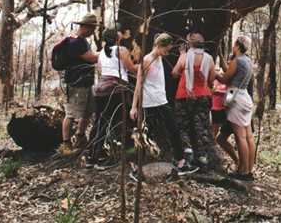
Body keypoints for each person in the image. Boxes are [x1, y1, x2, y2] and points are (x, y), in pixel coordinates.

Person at [129, 33, 192, 179]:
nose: (167, 53)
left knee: (173, 130)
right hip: (150, 104)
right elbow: (138, 84)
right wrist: (134, 106)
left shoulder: (159, 58)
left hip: (161, 101)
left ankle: (181, 162)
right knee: (146, 136)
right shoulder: (147, 60)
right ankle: (136, 167)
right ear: (159, 46)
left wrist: (182, 52)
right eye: (166, 49)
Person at [88, 28, 136, 169]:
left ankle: (92, 158)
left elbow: (102, 71)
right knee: (123, 123)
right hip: (116, 90)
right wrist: (143, 67)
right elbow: (131, 68)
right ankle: (130, 158)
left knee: (100, 123)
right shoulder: (122, 50)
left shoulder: (101, 53)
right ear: (117, 37)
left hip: (100, 90)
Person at [171, 31, 219, 171]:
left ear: (190, 44)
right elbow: (211, 80)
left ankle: (188, 154)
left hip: (184, 95)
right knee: (201, 127)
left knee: (183, 125)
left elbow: (174, 73)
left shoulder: (184, 57)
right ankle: (203, 158)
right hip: (203, 96)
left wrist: (184, 70)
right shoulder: (209, 59)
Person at [59, 13, 99, 156]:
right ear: (86, 27)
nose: (93, 31)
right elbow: (92, 58)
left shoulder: (83, 41)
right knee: (71, 114)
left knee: (87, 112)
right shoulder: (75, 42)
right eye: (92, 28)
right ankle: (66, 144)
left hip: (86, 82)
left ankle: (80, 138)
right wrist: (108, 52)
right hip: (76, 83)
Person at [217, 35, 255, 181]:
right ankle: (249, 169)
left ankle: (243, 171)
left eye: (234, 45)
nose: (233, 47)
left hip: (235, 95)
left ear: (238, 46)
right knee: (248, 136)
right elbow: (234, 74)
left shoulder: (237, 60)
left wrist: (214, 73)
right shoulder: (247, 61)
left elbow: (225, 79)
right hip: (245, 96)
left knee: (240, 137)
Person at [210, 80, 238, 165]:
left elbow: (233, 90)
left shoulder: (235, 79)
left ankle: (240, 164)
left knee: (240, 139)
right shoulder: (216, 78)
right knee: (216, 137)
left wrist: (226, 103)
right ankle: (239, 163)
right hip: (216, 110)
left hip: (230, 111)